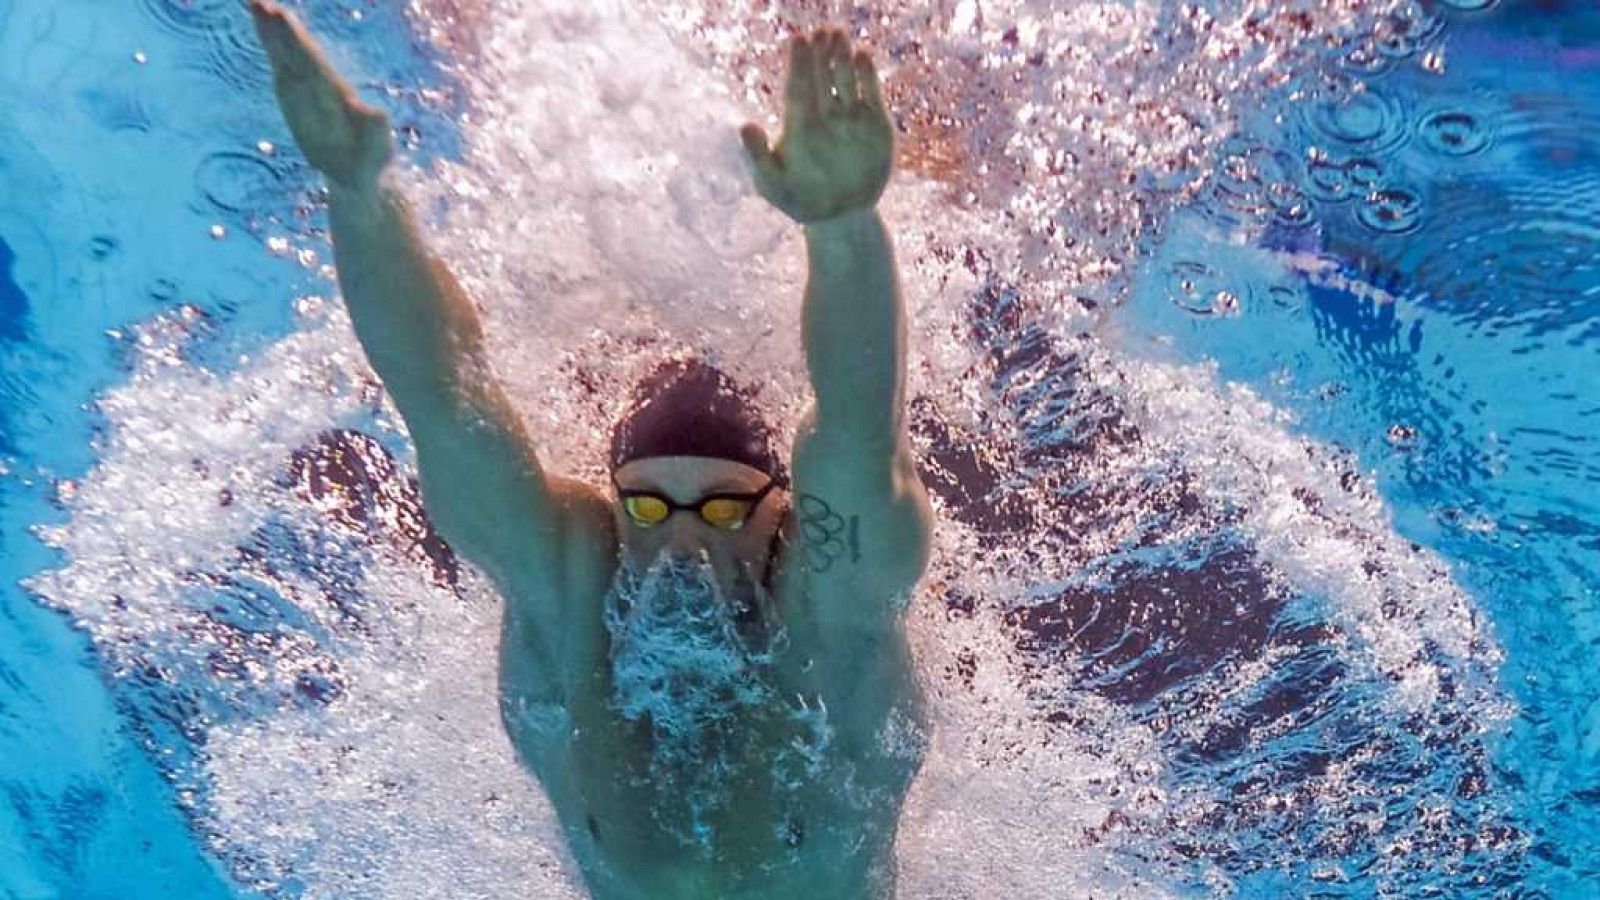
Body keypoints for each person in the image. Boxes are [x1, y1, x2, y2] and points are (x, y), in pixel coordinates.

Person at [249, 2, 934, 897]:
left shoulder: (831, 617)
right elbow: (443, 402)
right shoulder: (568, 596)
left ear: (781, 514)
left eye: (723, 507)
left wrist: (843, 229)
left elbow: (855, 434)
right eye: (648, 506)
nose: (684, 546)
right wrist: (359, 199)